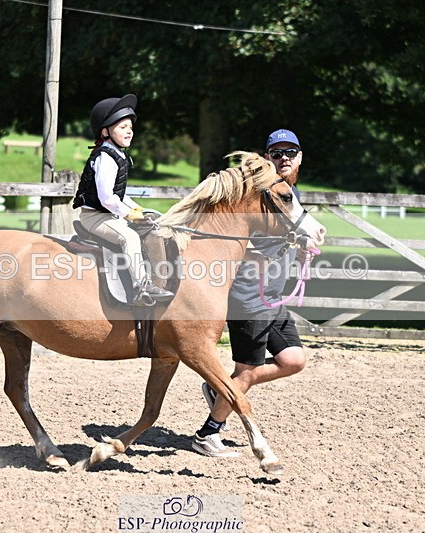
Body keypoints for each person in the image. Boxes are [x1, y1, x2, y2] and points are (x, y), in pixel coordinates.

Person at [191, 129, 307, 457]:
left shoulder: (289, 194)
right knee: (245, 373)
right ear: (266, 158)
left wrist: (301, 245)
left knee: (294, 360)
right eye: (277, 153)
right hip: (249, 296)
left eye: (291, 152)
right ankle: (208, 434)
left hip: (272, 296)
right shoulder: (253, 197)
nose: (284, 158)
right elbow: (235, 238)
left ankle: (220, 391)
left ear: (300, 157)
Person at [72, 94, 173, 306]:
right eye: (122, 127)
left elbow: (119, 194)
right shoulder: (105, 158)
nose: (129, 131)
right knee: (129, 237)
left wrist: (141, 210)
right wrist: (130, 214)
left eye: (130, 127)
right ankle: (141, 287)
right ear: (105, 132)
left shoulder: (117, 155)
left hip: (108, 214)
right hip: (95, 217)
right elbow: (107, 198)